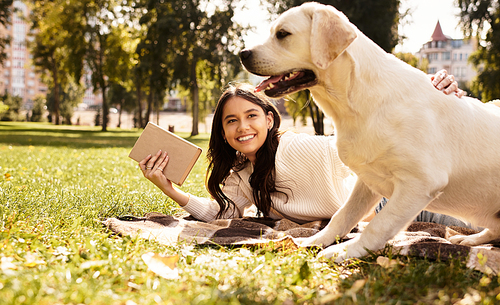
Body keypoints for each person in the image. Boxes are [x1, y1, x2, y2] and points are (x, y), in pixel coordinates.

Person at [139, 70, 470, 227]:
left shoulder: (297, 147)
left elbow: (365, 127)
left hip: (395, 201)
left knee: (477, 219)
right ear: (223, 132)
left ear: (270, 120)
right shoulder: (241, 175)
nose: (242, 127)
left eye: (251, 115)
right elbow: (224, 214)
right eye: (231, 121)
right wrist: (168, 189)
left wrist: (424, 90)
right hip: (386, 215)